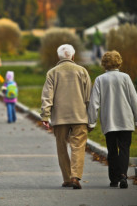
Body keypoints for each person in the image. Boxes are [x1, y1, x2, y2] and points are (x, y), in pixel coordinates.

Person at [88, 50, 137, 189]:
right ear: (119, 62)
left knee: (112, 150)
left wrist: (92, 122)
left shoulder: (100, 79)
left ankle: (114, 179)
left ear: (104, 63)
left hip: (109, 121)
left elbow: (94, 103)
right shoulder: (126, 77)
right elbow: (134, 100)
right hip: (126, 120)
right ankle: (123, 175)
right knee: (125, 149)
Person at [41, 44, 92, 189]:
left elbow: (47, 96)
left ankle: (67, 178)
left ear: (59, 57)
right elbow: (89, 96)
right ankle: (75, 176)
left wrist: (45, 115)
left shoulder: (52, 73)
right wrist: (91, 117)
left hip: (60, 117)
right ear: (73, 56)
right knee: (78, 146)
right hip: (80, 116)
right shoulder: (82, 71)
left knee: (61, 146)